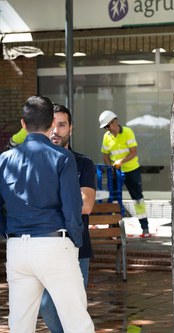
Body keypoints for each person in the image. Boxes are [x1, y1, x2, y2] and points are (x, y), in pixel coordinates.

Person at [0, 96, 94, 332]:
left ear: (23, 124)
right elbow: (72, 207)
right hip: (54, 244)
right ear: (52, 122)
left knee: (20, 323)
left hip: (17, 247)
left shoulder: (4, 160)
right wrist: (76, 240)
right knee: (76, 321)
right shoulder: (62, 157)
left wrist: (7, 233)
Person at [39, 104, 96, 332]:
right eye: (51, 125)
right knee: (47, 307)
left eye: (61, 125)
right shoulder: (37, 162)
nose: (55, 131)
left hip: (76, 247)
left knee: (74, 311)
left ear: (70, 128)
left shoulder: (83, 163)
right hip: (42, 246)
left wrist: (46, 203)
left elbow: (86, 205)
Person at [99, 110, 151, 237]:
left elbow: (133, 152)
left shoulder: (127, 132)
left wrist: (120, 162)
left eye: (108, 126)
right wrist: (110, 167)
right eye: (105, 127)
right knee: (114, 199)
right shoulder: (107, 136)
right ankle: (113, 227)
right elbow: (105, 155)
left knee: (137, 198)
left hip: (132, 170)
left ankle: (145, 228)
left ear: (114, 121)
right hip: (116, 172)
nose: (107, 129)